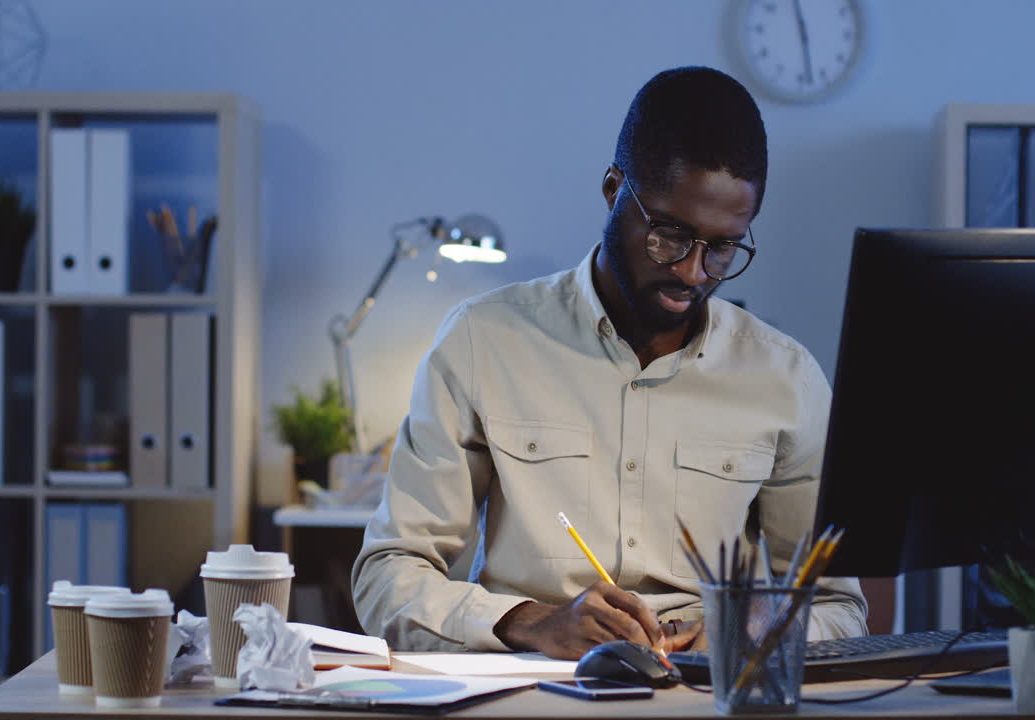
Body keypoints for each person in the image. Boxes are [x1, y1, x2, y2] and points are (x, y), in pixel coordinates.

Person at [351, 66, 868, 660]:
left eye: (723, 248)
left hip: (703, 696)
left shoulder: (786, 379)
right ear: (613, 188)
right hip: (535, 688)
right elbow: (389, 574)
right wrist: (532, 622)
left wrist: (748, 630)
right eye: (669, 235)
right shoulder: (483, 341)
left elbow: (836, 606)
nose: (692, 273)